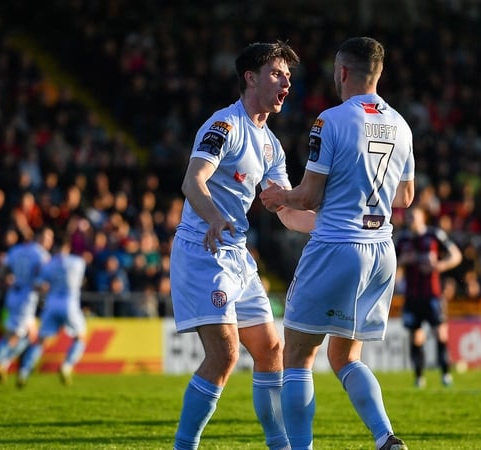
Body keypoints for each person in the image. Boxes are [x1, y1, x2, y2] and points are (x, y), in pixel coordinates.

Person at [260, 36, 414, 450]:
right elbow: (405, 197)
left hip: (337, 247)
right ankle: (385, 436)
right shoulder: (401, 125)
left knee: (298, 355)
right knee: (345, 357)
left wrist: (280, 197)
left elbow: (309, 196)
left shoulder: (330, 120)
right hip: (381, 250)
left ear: (342, 72)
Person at [168, 41, 315, 450]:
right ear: (250, 78)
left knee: (271, 349)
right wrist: (215, 218)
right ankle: (184, 446)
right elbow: (193, 181)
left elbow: (286, 212)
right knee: (225, 354)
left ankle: (279, 445)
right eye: (276, 73)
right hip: (203, 249)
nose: (286, 82)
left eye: (288, 76)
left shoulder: (271, 145)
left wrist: (332, 226)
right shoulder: (225, 126)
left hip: (237, 255)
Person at [0, 226, 54, 390]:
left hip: (13, 294)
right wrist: (46, 287)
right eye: (47, 238)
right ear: (38, 238)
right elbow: (42, 280)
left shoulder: (16, 250)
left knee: (31, 335)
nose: (49, 241)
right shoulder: (41, 255)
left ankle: (3, 363)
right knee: (12, 337)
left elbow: (3, 268)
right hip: (26, 299)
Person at [396, 205, 462, 388]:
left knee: (440, 333)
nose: (411, 220)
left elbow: (456, 256)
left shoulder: (434, 235)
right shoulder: (403, 240)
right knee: (416, 336)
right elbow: (391, 265)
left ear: (422, 218)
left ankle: (446, 375)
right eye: (409, 217)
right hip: (412, 296)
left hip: (432, 295)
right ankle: (419, 377)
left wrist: (440, 265)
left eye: (414, 216)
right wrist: (402, 262)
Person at [16, 232, 87, 388]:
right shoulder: (78, 262)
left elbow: (38, 284)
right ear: (68, 247)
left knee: (41, 341)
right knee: (80, 337)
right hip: (70, 303)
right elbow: (83, 278)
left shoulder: (49, 264)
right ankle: (66, 366)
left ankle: (24, 371)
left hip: (52, 303)